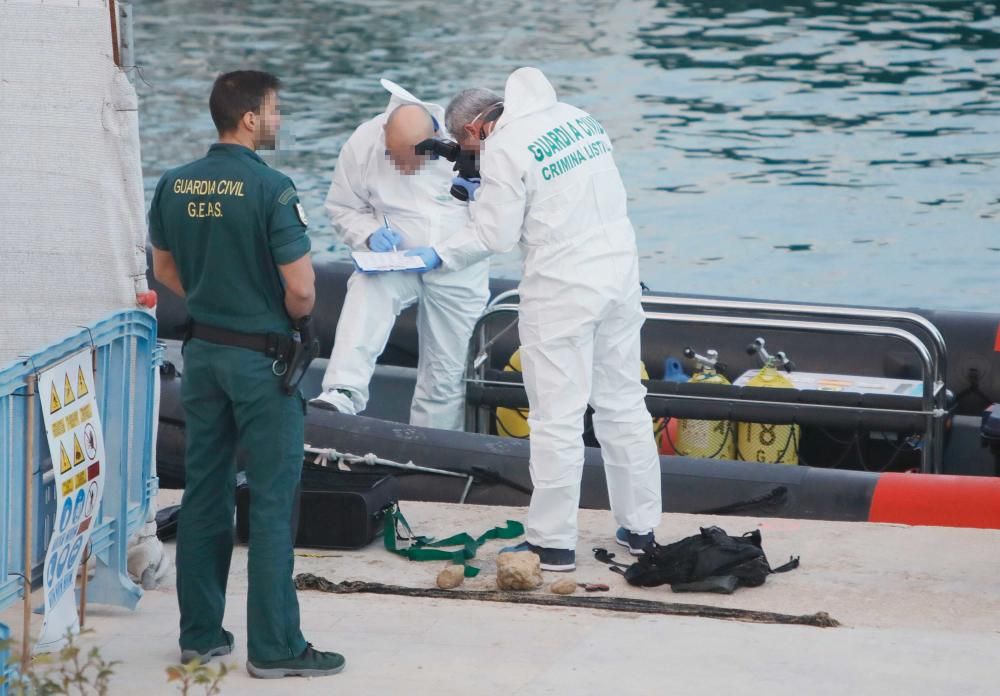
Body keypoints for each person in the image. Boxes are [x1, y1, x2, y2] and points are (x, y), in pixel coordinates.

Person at [406, 68, 663, 572]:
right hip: (619, 276)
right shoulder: (578, 118)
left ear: (476, 129)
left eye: (465, 144)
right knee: (623, 404)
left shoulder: (505, 147)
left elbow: (494, 237)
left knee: (556, 419)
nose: (470, 154)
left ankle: (552, 543)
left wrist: (435, 254)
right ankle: (642, 528)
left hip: (563, 290)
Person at [148, 70, 344, 679]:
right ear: (251, 118)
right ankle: (277, 646)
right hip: (264, 364)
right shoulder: (272, 189)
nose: (279, 120)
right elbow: (304, 291)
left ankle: (201, 636)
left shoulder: (174, 184)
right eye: (275, 110)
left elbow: (165, 270)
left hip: (203, 358)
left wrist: (214, 298)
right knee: (271, 498)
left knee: (204, 495)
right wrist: (276, 315)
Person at [309, 80, 490, 431]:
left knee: (445, 373)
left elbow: (495, 228)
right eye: (393, 157)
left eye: (407, 160)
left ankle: (431, 450)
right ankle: (341, 392)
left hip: (459, 266)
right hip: (394, 260)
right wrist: (369, 234)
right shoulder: (363, 142)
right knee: (366, 291)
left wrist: (441, 254)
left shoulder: (471, 146)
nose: (399, 166)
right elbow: (342, 207)